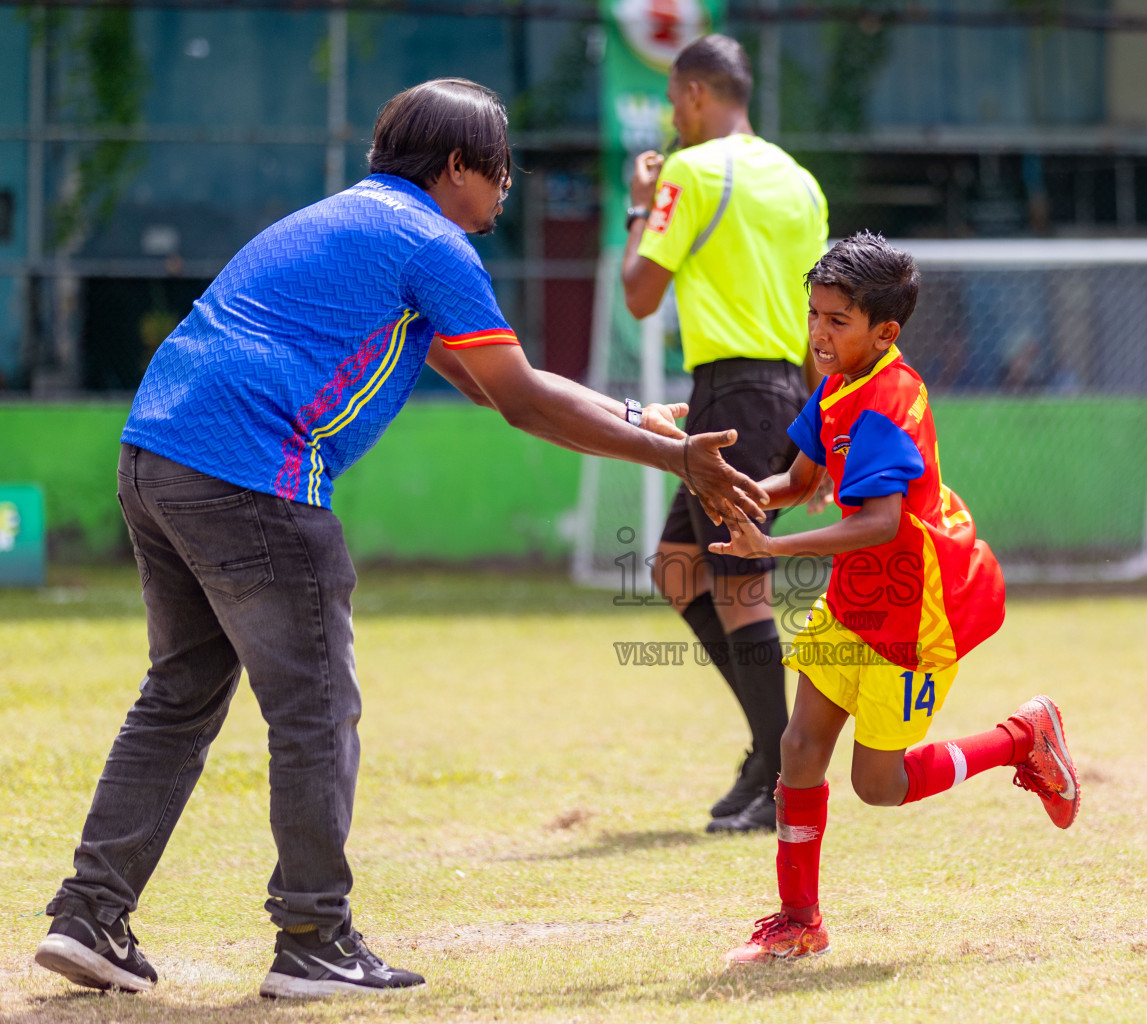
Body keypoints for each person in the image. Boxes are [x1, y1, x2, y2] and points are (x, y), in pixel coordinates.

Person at [33, 78, 767, 1000]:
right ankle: (314, 939)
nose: (506, 191)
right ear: (457, 167)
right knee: (315, 709)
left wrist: (641, 422)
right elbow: (523, 398)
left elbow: (480, 373)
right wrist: (677, 460)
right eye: (500, 172)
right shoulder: (432, 240)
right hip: (254, 476)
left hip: (156, 454)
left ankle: (90, 915)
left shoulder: (346, 219)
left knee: (178, 694)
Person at [706, 232, 1081, 962]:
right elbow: (803, 481)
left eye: (835, 320)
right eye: (813, 314)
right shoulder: (837, 379)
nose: (817, 333)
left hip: (913, 615)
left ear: (885, 332)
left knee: (878, 785)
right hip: (853, 599)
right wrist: (731, 489)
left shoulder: (889, 399)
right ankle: (797, 920)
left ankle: (1021, 739)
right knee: (799, 746)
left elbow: (877, 524)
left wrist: (773, 549)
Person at [622, 34, 829, 834]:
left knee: (738, 584)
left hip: (732, 392)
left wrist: (639, 202)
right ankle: (766, 751)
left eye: (675, 102)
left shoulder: (690, 171)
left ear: (698, 96)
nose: (674, 117)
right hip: (786, 392)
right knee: (679, 569)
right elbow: (823, 315)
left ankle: (780, 771)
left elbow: (641, 295)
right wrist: (820, 424)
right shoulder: (801, 182)